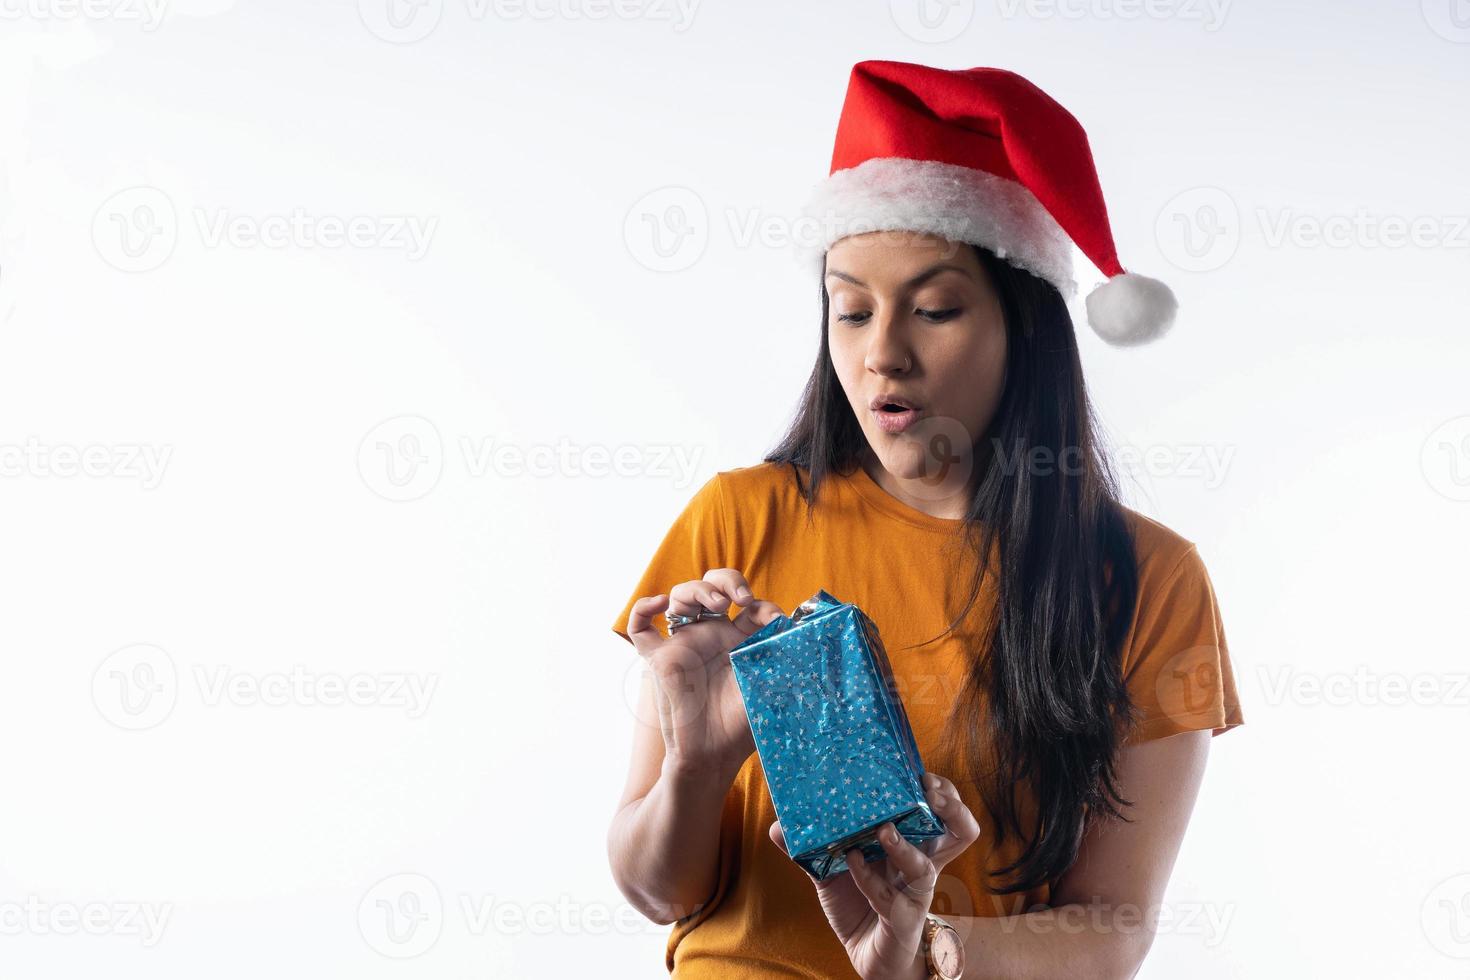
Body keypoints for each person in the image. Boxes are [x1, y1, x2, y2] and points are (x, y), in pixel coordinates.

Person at [607, 60, 1244, 979]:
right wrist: (696, 767)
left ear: (1023, 325)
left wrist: (925, 953)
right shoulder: (736, 520)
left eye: (935, 309)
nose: (882, 356)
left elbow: (1113, 928)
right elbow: (658, 893)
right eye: (851, 312)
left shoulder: (1148, 577)